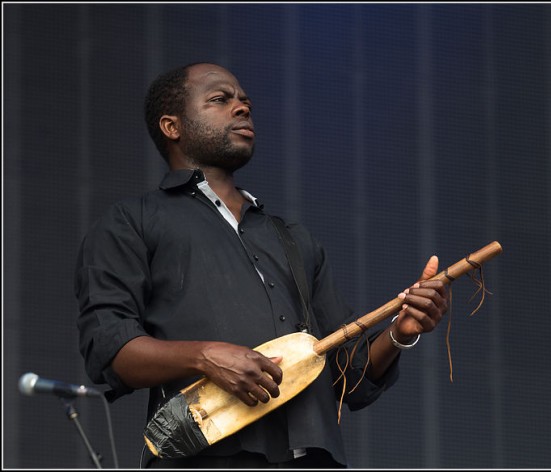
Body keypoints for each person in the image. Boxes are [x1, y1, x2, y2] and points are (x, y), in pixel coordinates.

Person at [75, 62, 449, 469]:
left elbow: (347, 377)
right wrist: (204, 356)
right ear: (171, 126)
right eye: (221, 99)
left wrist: (400, 332)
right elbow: (108, 349)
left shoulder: (294, 239)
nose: (242, 108)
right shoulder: (132, 221)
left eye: (245, 102)